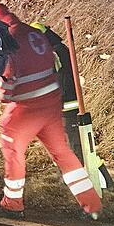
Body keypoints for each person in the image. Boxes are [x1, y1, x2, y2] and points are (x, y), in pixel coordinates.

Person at [0, 3, 102, 219]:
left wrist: (0, 88)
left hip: (25, 109)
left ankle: (12, 204)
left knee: (13, 151)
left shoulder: (8, 41)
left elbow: (7, 90)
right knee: (63, 153)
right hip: (50, 105)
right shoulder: (34, 33)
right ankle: (92, 204)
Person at [27, 21, 83, 156]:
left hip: (65, 107)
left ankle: (76, 174)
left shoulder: (55, 52)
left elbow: (55, 78)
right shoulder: (59, 49)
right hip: (65, 106)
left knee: (71, 146)